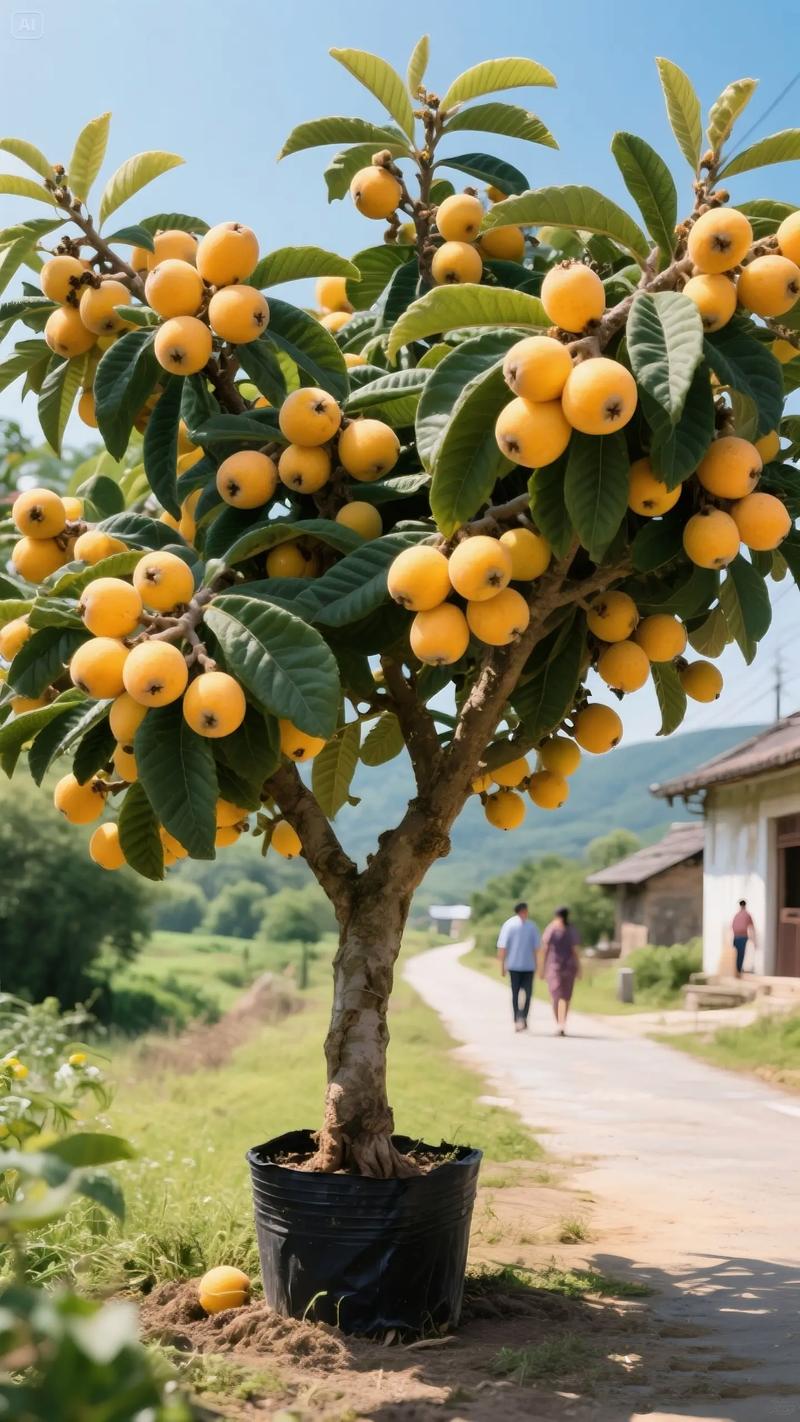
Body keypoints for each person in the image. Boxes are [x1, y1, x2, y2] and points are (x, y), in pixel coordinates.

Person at [497, 902, 540, 1032]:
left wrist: (537, 965)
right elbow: (503, 947)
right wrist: (502, 965)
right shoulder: (509, 925)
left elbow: (536, 948)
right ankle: (516, 1019)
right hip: (514, 965)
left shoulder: (532, 926)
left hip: (528, 966)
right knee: (515, 994)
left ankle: (524, 1017)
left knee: (528, 994)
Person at [542, 906, 581, 1037]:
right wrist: (579, 968)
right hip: (569, 966)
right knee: (565, 996)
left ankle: (560, 1023)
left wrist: (542, 967)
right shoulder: (571, 929)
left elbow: (545, 949)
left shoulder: (551, 928)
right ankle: (562, 1023)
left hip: (555, 966)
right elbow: (576, 951)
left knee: (556, 996)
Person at [731, 899, 756, 977]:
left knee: (737, 954)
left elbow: (732, 927)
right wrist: (754, 939)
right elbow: (752, 927)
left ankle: (737, 971)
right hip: (742, 937)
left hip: (736, 937)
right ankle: (738, 971)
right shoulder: (747, 915)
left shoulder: (736, 915)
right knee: (740, 954)